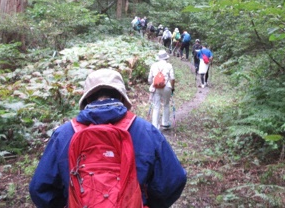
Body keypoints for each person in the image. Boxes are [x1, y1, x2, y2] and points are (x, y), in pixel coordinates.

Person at [29, 68, 187, 208]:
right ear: (121, 96)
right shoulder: (146, 131)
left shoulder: (63, 134)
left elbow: (40, 189)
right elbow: (174, 179)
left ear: (87, 99)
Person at [148, 50, 175, 130]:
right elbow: (172, 78)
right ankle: (165, 123)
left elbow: (149, 79)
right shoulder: (169, 65)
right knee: (166, 104)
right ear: (166, 57)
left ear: (158, 58)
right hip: (167, 87)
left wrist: (154, 82)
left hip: (156, 87)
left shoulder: (153, 65)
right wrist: (172, 88)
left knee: (156, 106)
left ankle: (155, 126)